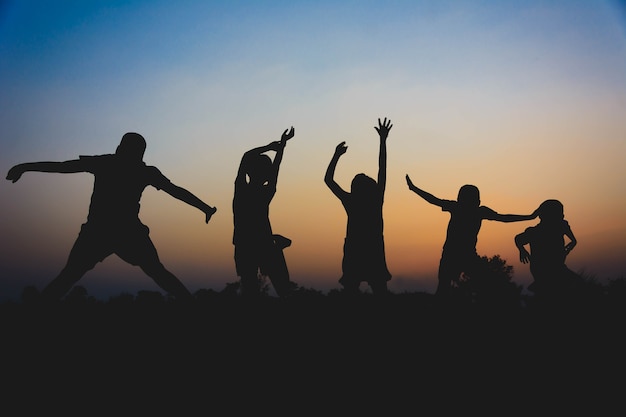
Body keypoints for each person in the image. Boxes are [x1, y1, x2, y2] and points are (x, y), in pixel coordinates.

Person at [5, 132, 216, 303]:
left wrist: (25, 167)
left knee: (69, 276)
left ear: (122, 148)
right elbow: (63, 167)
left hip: (116, 231)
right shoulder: (130, 168)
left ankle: (192, 308)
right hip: (109, 231)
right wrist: (204, 208)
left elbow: (63, 167)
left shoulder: (114, 165)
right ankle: (192, 308)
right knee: (156, 272)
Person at [405, 176, 537, 297]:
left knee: (454, 287)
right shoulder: (470, 210)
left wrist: (529, 217)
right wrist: (414, 188)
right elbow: (504, 218)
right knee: (447, 288)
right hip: (453, 254)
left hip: (462, 255)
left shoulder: (464, 209)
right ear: (478, 201)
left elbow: (434, 200)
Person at [325, 118, 392, 296]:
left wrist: (336, 156)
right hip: (372, 248)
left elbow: (328, 180)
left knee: (353, 290)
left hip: (357, 248)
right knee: (378, 290)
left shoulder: (351, 201)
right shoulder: (375, 199)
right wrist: (383, 140)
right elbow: (382, 168)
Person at [233, 126, 296, 298]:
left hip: (248, 244)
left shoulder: (242, 189)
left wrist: (272, 147)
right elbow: (274, 170)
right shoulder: (263, 192)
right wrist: (280, 146)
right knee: (282, 289)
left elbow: (246, 157)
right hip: (260, 243)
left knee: (251, 290)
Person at [515, 199, 579, 300]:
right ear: (544, 216)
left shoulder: (561, 226)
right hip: (543, 269)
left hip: (558, 266)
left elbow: (573, 240)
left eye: (561, 214)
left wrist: (570, 245)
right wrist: (522, 250)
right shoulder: (535, 232)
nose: (562, 216)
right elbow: (518, 239)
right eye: (558, 214)